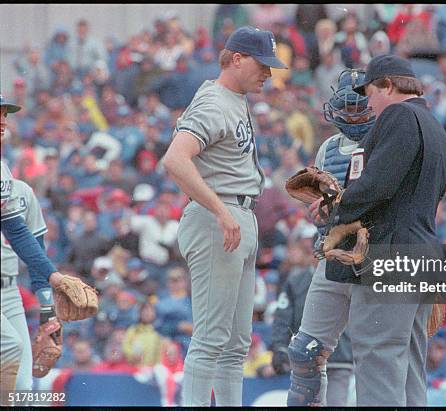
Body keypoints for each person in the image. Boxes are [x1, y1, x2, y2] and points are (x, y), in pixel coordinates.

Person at [288, 55, 446, 406]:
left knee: (378, 361)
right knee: (407, 366)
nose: (369, 103)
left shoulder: (398, 115)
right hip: (421, 253)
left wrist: (333, 206)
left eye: (371, 93)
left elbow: (377, 185)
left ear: (388, 86)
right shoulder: (434, 125)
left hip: (390, 254)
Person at [162, 26, 287, 406]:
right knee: (212, 338)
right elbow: (174, 159)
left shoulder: (233, 98)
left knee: (235, 344)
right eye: (262, 64)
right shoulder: (215, 101)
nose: (268, 72)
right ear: (236, 59)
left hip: (238, 214)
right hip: (220, 218)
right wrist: (219, 209)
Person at [284, 69, 375, 406]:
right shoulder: (328, 147)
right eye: (346, 109)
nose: (352, 116)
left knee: (375, 357)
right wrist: (322, 208)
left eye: (359, 108)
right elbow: (321, 197)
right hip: (332, 252)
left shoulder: (387, 139)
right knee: (304, 351)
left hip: (373, 256)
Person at [0, 96, 66, 405]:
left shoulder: (19, 190)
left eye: (4, 114)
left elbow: (29, 244)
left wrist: (47, 311)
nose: (3, 120)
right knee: (11, 350)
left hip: (10, 291)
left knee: (23, 389)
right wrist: (56, 278)